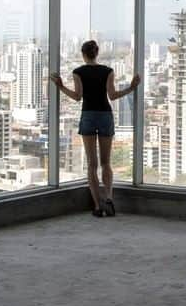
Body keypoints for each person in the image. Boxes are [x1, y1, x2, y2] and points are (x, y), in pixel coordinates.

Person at [50, 40, 140, 218]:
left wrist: (60, 87)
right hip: (105, 115)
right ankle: (109, 197)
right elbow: (113, 96)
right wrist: (131, 87)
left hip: (89, 115)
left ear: (83, 54)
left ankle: (98, 206)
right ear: (97, 53)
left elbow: (77, 97)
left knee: (92, 165)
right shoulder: (108, 71)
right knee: (106, 163)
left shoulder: (78, 72)